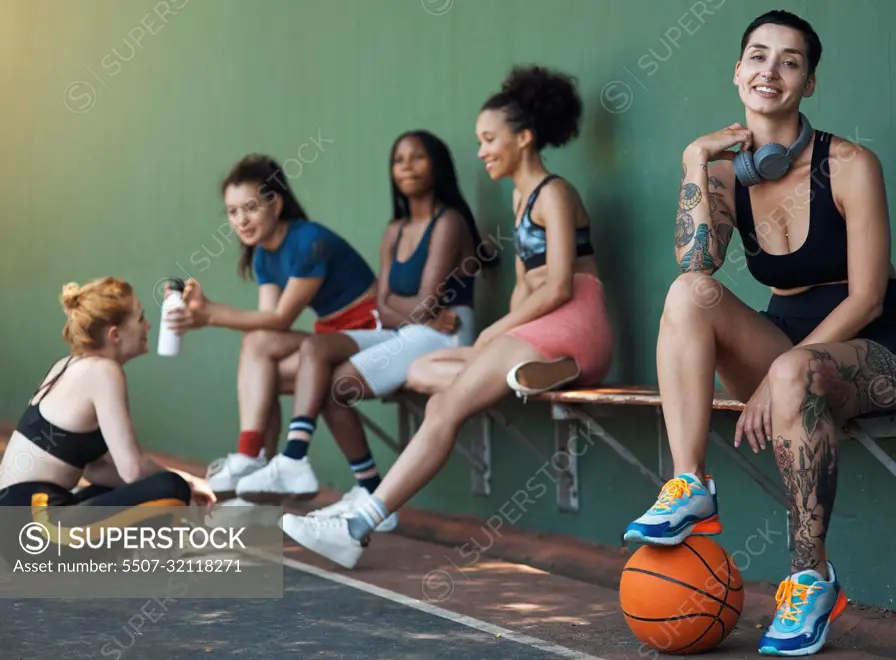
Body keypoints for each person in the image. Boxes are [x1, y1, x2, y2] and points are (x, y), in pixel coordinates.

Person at [623, 10, 896, 657]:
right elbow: (696, 266)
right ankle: (690, 485)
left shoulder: (851, 164)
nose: (770, 70)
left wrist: (785, 367)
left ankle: (810, 577)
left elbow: (868, 294)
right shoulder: (722, 170)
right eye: (758, 56)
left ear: (810, 82)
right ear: (737, 71)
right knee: (688, 295)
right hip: (783, 344)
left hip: (877, 346)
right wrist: (695, 162)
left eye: (790, 60)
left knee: (796, 373)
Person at [278, 64, 613, 568]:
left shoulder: (555, 194)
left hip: (577, 323)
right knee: (421, 371)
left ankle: (358, 525)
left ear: (523, 138)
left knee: (445, 408)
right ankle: (528, 372)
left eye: (488, 139)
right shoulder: (521, 198)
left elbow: (561, 285)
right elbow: (526, 285)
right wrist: (500, 335)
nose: (480, 151)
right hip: (538, 330)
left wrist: (499, 331)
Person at [230, 130, 496, 532]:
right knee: (317, 351)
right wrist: (414, 313)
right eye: (398, 160)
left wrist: (412, 312)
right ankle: (301, 464)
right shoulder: (394, 230)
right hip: (410, 333)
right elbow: (386, 307)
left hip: (447, 335)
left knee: (331, 383)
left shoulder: (449, 222)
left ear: (436, 165)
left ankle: (353, 486)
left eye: (416, 157)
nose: (405, 166)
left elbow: (418, 304)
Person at [165, 154, 380, 503]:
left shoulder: (310, 242)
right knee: (261, 362)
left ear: (275, 203)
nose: (240, 220)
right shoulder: (264, 254)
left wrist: (211, 315)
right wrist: (201, 312)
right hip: (332, 341)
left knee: (261, 357)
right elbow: (268, 330)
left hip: (373, 336)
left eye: (249, 208)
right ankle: (256, 468)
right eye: (232, 212)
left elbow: (279, 319)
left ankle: (253, 458)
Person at [0, 277, 216, 518]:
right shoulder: (104, 371)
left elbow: (97, 469)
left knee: (130, 487)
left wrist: (186, 481)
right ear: (115, 335)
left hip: (24, 516)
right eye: (141, 318)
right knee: (170, 488)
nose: (148, 326)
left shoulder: (69, 364)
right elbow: (133, 469)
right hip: (32, 523)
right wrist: (185, 484)